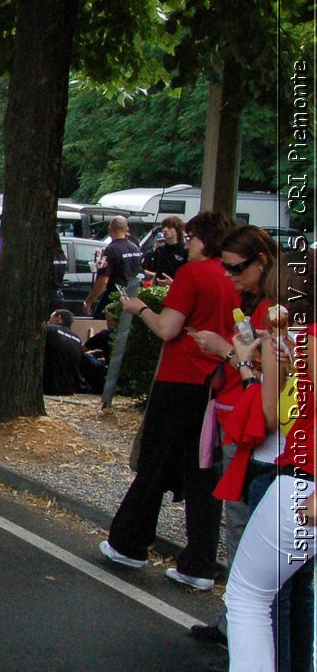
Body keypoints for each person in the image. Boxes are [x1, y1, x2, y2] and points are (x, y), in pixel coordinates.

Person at [201, 318, 314, 672]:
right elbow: (283, 414)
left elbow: (280, 418)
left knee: (248, 596)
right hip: (300, 481)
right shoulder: (302, 338)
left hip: (302, 485)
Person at [102, 210, 237, 587]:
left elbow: (167, 328)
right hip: (213, 383)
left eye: (192, 237)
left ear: (203, 240)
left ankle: (129, 543)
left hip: (178, 379)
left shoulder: (192, 275)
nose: (187, 243)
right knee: (201, 472)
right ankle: (199, 564)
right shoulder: (231, 279)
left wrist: (139, 307)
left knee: (155, 463)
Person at [84, 215, 143, 317]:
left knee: (101, 321)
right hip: (132, 296)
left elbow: (103, 280)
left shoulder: (111, 250)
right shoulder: (135, 248)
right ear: (127, 229)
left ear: (109, 229)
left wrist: (89, 302)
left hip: (114, 296)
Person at [42, 310, 85, 396]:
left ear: (58, 317)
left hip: (48, 386)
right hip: (69, 388)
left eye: (50, 318)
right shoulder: (77, 339)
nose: (48, 321)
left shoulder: (49, 329)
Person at [143, 215, 188, 285]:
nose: (165, 230)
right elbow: (156, 272)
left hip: (177, 288)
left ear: (177, 230)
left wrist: (173, 283)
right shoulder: (159, 250)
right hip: (159, 290)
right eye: (163, 227)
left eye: (169, 227)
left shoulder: (185, 250)